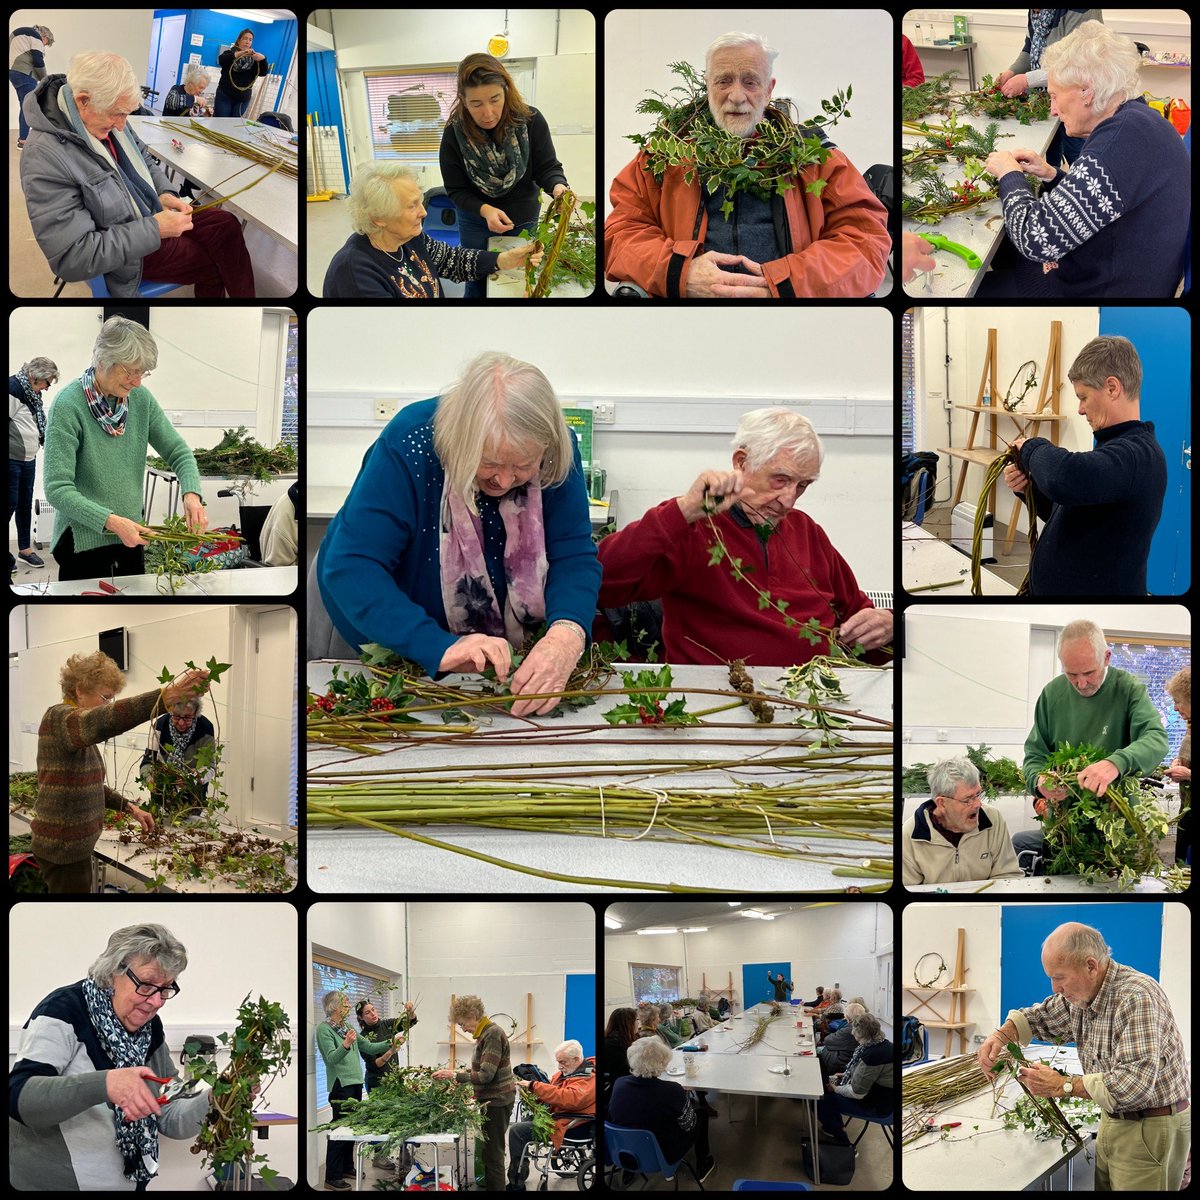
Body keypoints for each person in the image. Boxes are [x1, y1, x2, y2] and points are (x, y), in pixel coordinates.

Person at [317, 352, 601, 718]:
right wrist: (437, 646)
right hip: (383, 632)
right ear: (464, 440)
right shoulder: (410, 443)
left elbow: (573, 556)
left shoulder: (556, 450)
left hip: (491, 664)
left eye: (522, 466)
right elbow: (352, 567)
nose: (504, 480)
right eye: (491, 464)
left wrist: (566, 636)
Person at [596, 407, 892, 666]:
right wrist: (683, 511)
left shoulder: (807, 531)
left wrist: (888, 624)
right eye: (781, 480)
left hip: (813, 698)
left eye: (803, 485)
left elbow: (858, 615)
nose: (789, 500)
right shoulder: (696, 527)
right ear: (741, 462)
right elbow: (602, 582)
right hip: (720, 702)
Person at [605, 31, 889, 298]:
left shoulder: (814, 156)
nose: (737, 96)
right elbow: (622, 232)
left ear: (768, 90)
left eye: (750, 81)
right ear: (707, 85)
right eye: (724, 81)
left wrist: (787, 284)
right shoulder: (666, 155)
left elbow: (866, 241)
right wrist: (680, 272)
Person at [980, 21, 1189, 298]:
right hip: (1114, 267)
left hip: (1101, 290)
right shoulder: (1137, 119)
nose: (1053, 110)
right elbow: (1107, 198)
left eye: (1055, 96)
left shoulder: (1120, 141)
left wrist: (1009, 175)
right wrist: (1051, 175)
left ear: (1086, 92)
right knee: (1004, 244)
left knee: (982, 283)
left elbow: (1036, 240)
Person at [20, 51, 255, 297]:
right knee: (217, 262)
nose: (122, 126)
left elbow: (143, 157)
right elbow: (73, 259)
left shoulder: (104, 114)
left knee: (226, 224)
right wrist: (155, 229)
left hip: (147, 212)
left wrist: (165, 193)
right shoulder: (44, 157)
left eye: (126, 114)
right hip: (129, 252)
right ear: (83, 100)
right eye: (118, 114)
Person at [978, 922, 1189, 1190]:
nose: (1055, 988)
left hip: (1150, 1127)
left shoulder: (1136, 996)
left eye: (1060, 977)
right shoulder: (1082, 995)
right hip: (1114, 1119)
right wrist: (1001, 1035)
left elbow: (1133, 1086)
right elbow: (1040, 1017)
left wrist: (1062, 1085)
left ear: (1091, 966)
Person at [9, 924, 220, 1189]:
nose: (156, 1002)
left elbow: (169, 1112)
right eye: (146, 985)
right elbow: (20, 1098)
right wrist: (106, 1084)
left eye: (165, 988)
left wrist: (214, 1100)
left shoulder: (149, 1028)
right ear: (111, 974)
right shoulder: (63, 1010)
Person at [42, 317, 208, 582]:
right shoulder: (68, 405)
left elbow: (179, 452)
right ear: (103, 360)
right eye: (130, 371)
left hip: (131, 535)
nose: (137, 382)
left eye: (142, 373)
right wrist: (111, 521)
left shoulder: (140, 400)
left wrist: (191, 493)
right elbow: (57, 488)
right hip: (82, 541)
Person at [1001, 336, 1166, 595]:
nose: (1080, 409)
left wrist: (1031, 448)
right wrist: (1029, 490)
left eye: (1083, 397)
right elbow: (1073, 512)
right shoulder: (1115, 449)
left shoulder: (1137, 455)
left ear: (1112, 388)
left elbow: (1065, 477)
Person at [32, 653, 210, 893]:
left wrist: (129, 807)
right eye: (105, 697)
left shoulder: (75, 732)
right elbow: (102, 720)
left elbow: (91, 784)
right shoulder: (60, 718)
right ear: (80, 689)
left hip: (73, 848)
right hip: (64, 850)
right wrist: (166, 697)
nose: (107, 705)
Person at [1015, 619, 1170, 870]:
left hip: (1117, 830)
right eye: (1071, 674)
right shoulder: (1052, 695)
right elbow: (1034, 755)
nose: (1081, 683)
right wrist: (1039, 781)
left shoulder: (1128, 689)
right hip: (1065, 830)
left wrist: (1115, 763)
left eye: (1089, 673)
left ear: (1107, 657)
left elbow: (1156, 738)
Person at [440, 53, 569, 299]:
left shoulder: (531, 120)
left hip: (523, 218)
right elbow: (456, 190)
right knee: (476, 279)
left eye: (495, 99)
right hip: (476, 221)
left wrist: (558, 187)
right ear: (463, 100)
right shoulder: (453, 135)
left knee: (517, 281)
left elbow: (547, 167)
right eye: (476, 104)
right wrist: (485, 210)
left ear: (506, 90)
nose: (488, 113)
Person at [322, 162, 541, 298]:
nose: (424, 213)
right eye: (411, 206)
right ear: (378, 217)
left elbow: (452, 260)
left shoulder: (409, 238)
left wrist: (504, 260)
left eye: (420, 201)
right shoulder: (355, 274)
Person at [995, 8, 1104, 167]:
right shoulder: (1036, 12)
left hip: (1080, 103)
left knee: (1079, 157)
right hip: (1052, 97)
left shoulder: (1080, 11)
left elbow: (1075, 63)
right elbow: (1029, 48)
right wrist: (1011, 72)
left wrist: (1027, 80)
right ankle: (1053, 183)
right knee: (1051, 154)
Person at [315, 990, 400, 1191]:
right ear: (335, 1007)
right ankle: (332, 1176)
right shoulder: (324, 1030)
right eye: (345, 1003)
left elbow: (369, 1047)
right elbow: (331, 1058)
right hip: (340, 1085)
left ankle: (347, 1167)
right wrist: (345, 1044)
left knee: (351, 1129)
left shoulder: (347, 1026)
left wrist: (391, 1042)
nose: (348, 1006)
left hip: (354, 1084)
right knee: (339, 1130)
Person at [431, 994, 516, 1192]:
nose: (463, 1029)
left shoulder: (492, 1034)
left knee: (493, 1156)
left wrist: (453, 1075)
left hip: (497, 1101)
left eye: (462, 1024)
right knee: (488, 1153)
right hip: (491, 1101)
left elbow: (486, 1075)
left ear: (472, 1015)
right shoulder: (485, 1034)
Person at [902, 756, 1024, 885]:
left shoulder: (993, 819)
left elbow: (1008, 876)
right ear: (942, 804)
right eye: (967, 800)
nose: (977, 804)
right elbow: (910, 889)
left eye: (978, 795)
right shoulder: (910, 835)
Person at [608, 1036, 715, 1183]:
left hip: (625, 1149)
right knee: (701, 1114)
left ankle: (629, 1169)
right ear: (662, 1063)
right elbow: (689, 1125)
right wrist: (683, 1103)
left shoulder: (619, 1083)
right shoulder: (672, 1090)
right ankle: (702, 1163)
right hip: (663, 1154)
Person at [508, 1040, 595, 1191]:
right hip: (562, 1117)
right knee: (526, 1121)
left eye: (563, 1062)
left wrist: (534, 1086)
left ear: (576, 1059)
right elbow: (554, 1090)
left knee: (517, 1131)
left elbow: (569, 1098)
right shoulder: (571, 1072)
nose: (560, 1066)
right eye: (558, 1062)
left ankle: (517, 1181)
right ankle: (521, 1166)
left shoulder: (589, 1077)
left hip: (572, 1125)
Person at [9, 353, 58, 574]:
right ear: (37, 376)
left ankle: (24, 549)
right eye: (48, 382)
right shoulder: (13, 387)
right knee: (9, 504)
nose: (48, 388)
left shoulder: (33, 394)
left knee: (24, 504)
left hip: (28, 459)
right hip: (11, 460)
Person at [816, 1012, 894, 1145]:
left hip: (880, 1106)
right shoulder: (883, 1044)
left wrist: (835, 1088)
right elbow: (865, 1074)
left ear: (862, 1034)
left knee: (821, 1099)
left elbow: (857, 1093)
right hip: (882, 1096)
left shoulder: (872, 1055)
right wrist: (847, 1074)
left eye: (855, 1034)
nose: (853, 1036)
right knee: (827, 1094)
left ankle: (841, 1139)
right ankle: (835, 1126)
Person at [137, 696, 217, 817]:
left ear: (196, 714)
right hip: (162, 794)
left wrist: (191, 780)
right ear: (170, 711)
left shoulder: (205, 728)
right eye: (176, 716)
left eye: (187, 718)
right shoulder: (160, 725)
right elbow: (147, 761)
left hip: (193, 797)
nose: (181, 722)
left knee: (190, 828)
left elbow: (210, 767)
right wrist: (150, 779)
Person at [10, 22, 53, 146]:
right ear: (44, 37)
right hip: (25, 73)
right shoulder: (35, 35)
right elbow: (38, 60)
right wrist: (46, 79)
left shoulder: (22, 33)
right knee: (28, 107)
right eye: (45, 44)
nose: (43, 47)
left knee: (24, 106)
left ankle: (23, 137)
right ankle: (23, 141)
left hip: (13, 73)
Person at [1164, 666, 1190, 866]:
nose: (1175, 708)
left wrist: (1188, 774)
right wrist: (1178, 762)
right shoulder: (1190, 728)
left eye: (1177, 701)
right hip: (1188, 814)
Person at [214, 29, 267, 119]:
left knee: (233, 124)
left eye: (250, 40)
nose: (247, 41)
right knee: (220, 121)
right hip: (225, 96)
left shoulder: (253, 59)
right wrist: (241, 53)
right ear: (239, 40)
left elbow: (262, 73)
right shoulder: (229, 53)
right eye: (245, 38)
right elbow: (221, 60)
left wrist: (263, 59)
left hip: (242, 99)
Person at [818, 1000, 867, 1079]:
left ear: (847, 1016)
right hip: (851, 1057)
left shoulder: (850, 1028)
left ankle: (823, 1080)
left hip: (842, 1060)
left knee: (818, 1051)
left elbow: (827, 1040)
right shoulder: (863, 1025)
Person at [602, 1008, 637, 1103]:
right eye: (636, 1021)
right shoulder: (613, 1045)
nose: (638, 1024)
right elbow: (625, 1071)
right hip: (621, 1092)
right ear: (629, 1023)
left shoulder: (622, 1040)